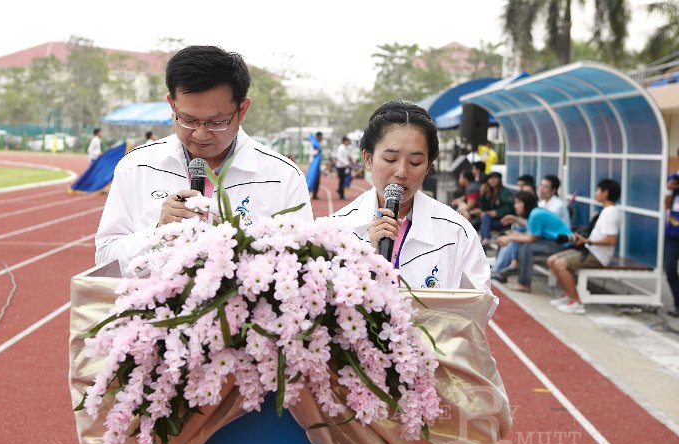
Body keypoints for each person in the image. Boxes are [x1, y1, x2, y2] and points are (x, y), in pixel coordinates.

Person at [95, 45, 313, 269]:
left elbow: (303, 266)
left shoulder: (282, 177)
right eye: (188, 120)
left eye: (216, 122)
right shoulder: (136, 167)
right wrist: (158, 232)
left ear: (243, 110)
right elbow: (105, 261)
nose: (200, 134)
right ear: (172, 104)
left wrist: (236, 246)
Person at [332, 100, 494, 298]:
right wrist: (369, 256)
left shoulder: (457, 232)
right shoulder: (337, 229)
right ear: (367, 158)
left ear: (428, 166)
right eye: (390, 159)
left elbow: (479, 304)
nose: (401, 172)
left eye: (415, 162)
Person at [547, 179, 622, 314]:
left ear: (605, 193)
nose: (595, 193)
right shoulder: (606, 211)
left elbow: (611, 240)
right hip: (590, 250)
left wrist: (588, 241)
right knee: (551, 260)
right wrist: (584, 241)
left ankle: (577, 302)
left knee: (560, 264)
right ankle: (568, 294)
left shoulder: (611, 212)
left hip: (598, 256)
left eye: (598, 190)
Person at [496, 191, 572, 292]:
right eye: (515, 203)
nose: (515, 206)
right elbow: (531, 234)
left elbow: (531, 238)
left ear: (526, 204)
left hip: (562, 244)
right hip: (551, 241)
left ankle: (524, 283)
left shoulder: (535, 214)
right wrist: (513, 235)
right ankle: (516, 271)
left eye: (518, 203)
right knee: (521, 241)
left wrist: (509, 238)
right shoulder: (535, 212)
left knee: (527, 247)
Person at [472, 171, 514, 247]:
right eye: (490, 178)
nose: (492, 180)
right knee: (478, 221)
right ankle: (482, 240)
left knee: (484, 220)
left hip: (503, 220)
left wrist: (496, 212)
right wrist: (482, 194)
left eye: (495, 178)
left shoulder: (505, 192)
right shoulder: (489, 191)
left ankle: (485, 239)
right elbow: (483, 208)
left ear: (500, 180)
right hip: (491, 220)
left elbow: (510, 208)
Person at [664, 172, 679, 317]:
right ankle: (678, 303)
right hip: (673, 233)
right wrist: (670, 189)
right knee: (669, 268)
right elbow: (667, 205)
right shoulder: (673, 178)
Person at [306, 131, 324, 199]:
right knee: (311, 178)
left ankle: (315, 194)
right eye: (321, 137)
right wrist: (317, 151)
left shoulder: (318, 144)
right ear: (317, 137)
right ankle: (309, 192)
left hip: (317, 165)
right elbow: (311, 153)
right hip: (313, 165)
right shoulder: (313, 144)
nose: (321, 138)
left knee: (317, 180)